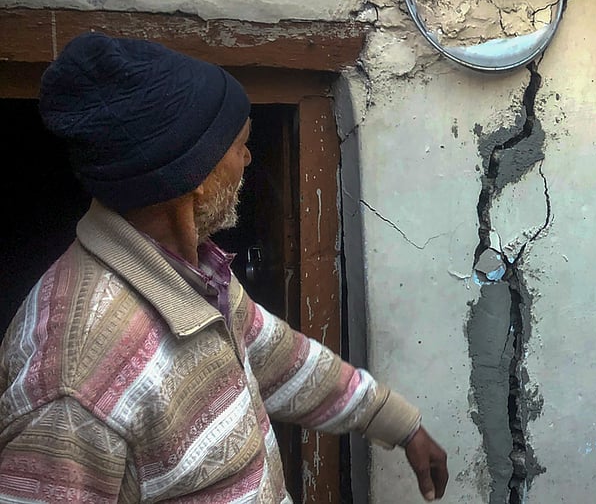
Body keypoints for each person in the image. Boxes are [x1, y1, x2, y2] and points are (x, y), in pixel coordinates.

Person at [0, 32, 448, 503]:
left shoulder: (195, 275)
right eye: (240, 144)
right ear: (193, 177)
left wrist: (397, 422)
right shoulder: (74, 387)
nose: (249, 158)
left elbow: (279, 357)